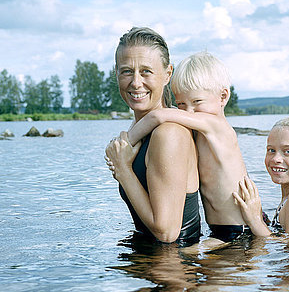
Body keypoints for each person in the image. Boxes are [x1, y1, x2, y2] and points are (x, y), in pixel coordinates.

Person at [122, 51, 251, 244]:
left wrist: (123, 144)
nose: (189, 112)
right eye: (181, 104)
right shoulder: (200, 127)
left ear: (223, 96)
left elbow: (158, 116)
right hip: (221, 229)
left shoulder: (217, 126)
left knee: (186, 254)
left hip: (237, 228)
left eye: (197, 102)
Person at [105, 27, 201, 245]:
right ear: (117, 74)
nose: (136, 82)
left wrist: (122, 169)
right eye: (127, 71)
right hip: (150, 264)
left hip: (174, 269)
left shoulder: (169, 133)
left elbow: (166, 233)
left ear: (167, 74)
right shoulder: (140, 129)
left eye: (146, 71)